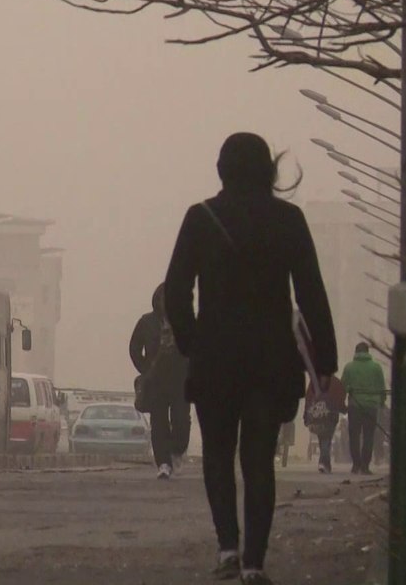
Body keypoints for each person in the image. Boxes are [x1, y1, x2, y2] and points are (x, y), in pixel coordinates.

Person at [164, 132, 338, 585]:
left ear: (221, 170)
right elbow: (311, 293)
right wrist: (325, 361)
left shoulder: (200, 219)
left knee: (218, 454)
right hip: (270, 360)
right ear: (268, 170)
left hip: (216, 358)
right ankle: (255, 564)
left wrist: (192, 343)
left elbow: (176, 292)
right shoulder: (289, 219)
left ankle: (227, 548)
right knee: (258, 458)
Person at [129, 283, 191, 479]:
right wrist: (144, 369)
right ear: (157, 300)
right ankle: (163, 463)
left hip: (181, 380)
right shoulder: (146, 322)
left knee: (181, 420)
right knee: (159, 423)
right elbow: (134, 348)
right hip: (156, 380)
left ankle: (177, 451)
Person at [341, 342, 387, 475]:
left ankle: (356, 464)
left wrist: (343, 403)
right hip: (371, 406)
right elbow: (381, 387)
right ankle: (365, 466)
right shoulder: (376, 368)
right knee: (369, 436)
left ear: (356, 352)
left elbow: (343, 386)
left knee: (354, 435)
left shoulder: (349, 367)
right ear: (368, 352)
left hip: (354, 405)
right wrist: (382, 402)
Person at [303, 372, 346, 473]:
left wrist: (306, 415)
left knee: (322, 437)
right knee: (327, 437)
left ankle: (324, 462)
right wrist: (342, 408)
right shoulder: (336, 382)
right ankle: (324, 462)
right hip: (332, 413)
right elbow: (341, 397)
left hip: (318, 413)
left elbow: (309, 398)